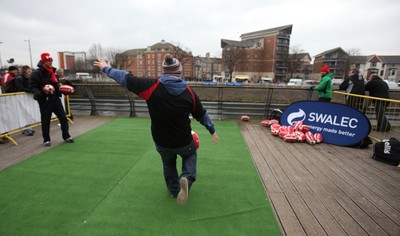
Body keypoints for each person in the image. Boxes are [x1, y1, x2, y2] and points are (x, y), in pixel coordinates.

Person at [94, 54, 220, 206]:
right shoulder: (190, 93)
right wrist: (212, 130)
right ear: (179, 72)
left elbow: (125, 78)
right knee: (190, 154)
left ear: (164, 71)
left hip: (162, 141)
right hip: (183, 140)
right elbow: (201, 115)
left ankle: (174, 191)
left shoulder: (150, 86)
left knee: (168, 163)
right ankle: (187, 177)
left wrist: (106, 68)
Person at [29, 52, 74, 146]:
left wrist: (61, 88)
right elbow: (32, 87)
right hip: (45, 100)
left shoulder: (52, 71)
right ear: (44, 61)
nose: (51, 62)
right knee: (45, 121)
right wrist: (42, 92)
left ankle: (66, 136)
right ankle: (46, 140)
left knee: (63, 118)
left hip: (55, 99)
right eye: (49, 61)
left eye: (51, 61)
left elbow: (55, 84)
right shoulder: (36, 73)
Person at [15, 65, 35, 136]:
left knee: (27, 113)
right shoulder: (19, 79)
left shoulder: (29, 79)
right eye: (28, 72)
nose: (30, 73)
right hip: (18, 99)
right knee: (23, 113)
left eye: (31, 72)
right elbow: (20, 88)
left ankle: (28, 128)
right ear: (24, 72)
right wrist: (31, 90)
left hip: (25, 99)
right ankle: (26, 129)